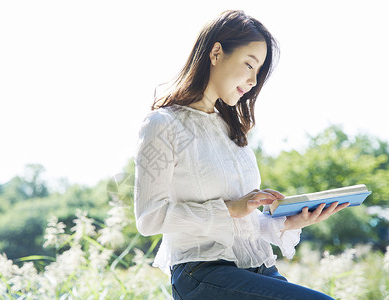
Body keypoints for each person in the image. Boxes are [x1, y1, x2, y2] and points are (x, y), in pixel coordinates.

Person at [133, 10, 349, 300]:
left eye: (258, 72)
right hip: (203, 272)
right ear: (216, 53)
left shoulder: (233, 129)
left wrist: (288, 222)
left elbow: (242, 223)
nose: (252, 81)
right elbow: (149, 218)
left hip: (256, 268)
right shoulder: (162, 125)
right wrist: (230, 208)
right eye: (249, 65)